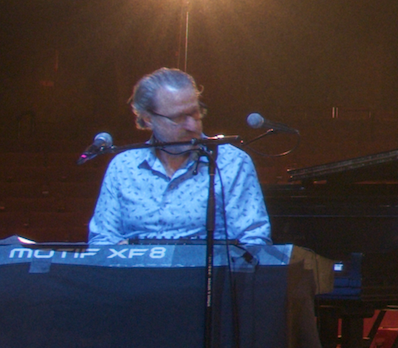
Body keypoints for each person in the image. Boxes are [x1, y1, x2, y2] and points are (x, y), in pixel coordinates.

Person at [88, 67, 271, 245]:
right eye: (178, 118)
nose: (192, 126)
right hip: (134, 273)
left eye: (195, 113)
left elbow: (254, 241)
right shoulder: (123, 166)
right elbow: (102, 240)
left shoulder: (232, 162)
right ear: (148, 119)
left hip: (206, 274)